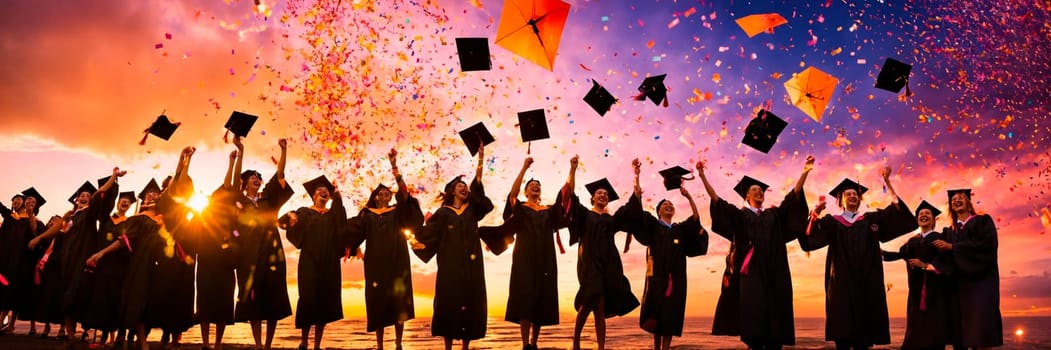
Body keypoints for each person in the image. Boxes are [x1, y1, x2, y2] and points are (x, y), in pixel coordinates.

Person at [700, 156, 813, 350]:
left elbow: (793, 197)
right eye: (754, 189)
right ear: (747, 196)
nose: (759, 191)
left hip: (775, 272)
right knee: (753, 315)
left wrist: (805, 171)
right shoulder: (741, 215)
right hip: (750, 273)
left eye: (761, 190)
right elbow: (717, 201)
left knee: (775, 316)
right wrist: (702, 176)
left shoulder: (773, 215)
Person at [802, 167, 918, 349]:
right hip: (841, 284)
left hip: (867, 284)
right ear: (840, 200)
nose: (852, 196)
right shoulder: (832, 222)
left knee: (865, 337)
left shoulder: (871, 219)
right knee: (843, 333)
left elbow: (899, 213)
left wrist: (888, 181)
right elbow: (809, 239)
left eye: (855, 193)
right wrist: (815, 214)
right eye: (847, 194)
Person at [619, 159, 709, 350]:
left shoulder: (679, 229)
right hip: (656, 276)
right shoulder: (652, 225)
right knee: (655, 311)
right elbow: (636, 208)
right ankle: (656, 347)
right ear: (659, 210)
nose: (669, 206)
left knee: (671, 313)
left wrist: (689, 197)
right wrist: (636, 175)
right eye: (665, 204)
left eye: (671, 205)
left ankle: (666, 349)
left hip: (676, 277)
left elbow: (695, 219)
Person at [413, 142, 494, 350]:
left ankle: (465, 347)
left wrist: (481, 160)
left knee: (471, 300)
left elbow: (479, 189)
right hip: (449, 267)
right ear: (451, 191)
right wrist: (416, 239)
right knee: (449, 302)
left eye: (465, 187)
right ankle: (448, 347)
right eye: (460, 186)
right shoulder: (443, 213)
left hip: (471, 266)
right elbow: (428, 234)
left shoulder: (472, 210)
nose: (465, 188)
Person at [29, 168, 123, 343]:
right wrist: (40, 237)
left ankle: (86, 330)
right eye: (82, 195)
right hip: (67, 260)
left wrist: (113, 177)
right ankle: (71, 337)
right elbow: (57, 229)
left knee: (78, 294)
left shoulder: (89, 213)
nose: (84, 196)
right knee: (66, 296)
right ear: (76, 198)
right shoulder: (70, 217)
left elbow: (100, 194)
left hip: (82, 259)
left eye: (88, 195)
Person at [344, 149, 424, 350]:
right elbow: (351, 231)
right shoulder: (367, 214)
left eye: (388, 192)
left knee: (399, 302)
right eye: (381, 192)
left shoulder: (397, 211)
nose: (385, 194)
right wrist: (354, 248)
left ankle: (398, 343)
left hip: (398, 261)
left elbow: (405, 197)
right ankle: (379, 345)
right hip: (376, 264)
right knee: (378, 303)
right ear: (376, 196)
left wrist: (394, 167)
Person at [497, 155, 570, 350]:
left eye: (538, 185)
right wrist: (524, 167)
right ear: (526, 191)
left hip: (546, 258)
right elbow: (512, 195)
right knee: (525, 298)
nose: (535, 186)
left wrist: (572, 169)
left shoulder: (548, 210)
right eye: (532, 185)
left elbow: (566, 198)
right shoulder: (521, 207)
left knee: (541, 298)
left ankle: (534, 343)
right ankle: (524, 344)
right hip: (524, 258)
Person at [565, 162, 639, 350]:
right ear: (592, 198)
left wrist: (636, 175)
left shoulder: (610, 220)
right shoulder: (584, 214)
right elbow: (570, 198)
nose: (604, 195)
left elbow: (630, 207)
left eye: (606, 194)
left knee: (600, 306)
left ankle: (600, 347)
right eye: (599, 193)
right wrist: (573, 169)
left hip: (608, 265)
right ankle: (576, 342)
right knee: (589, 299)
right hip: (589, 264)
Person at [232, 137, 295, 350]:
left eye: (259, 177)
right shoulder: (239, 202)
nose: (257, 179)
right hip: (249, 254)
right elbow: (231, 187)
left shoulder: (267, 197)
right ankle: (258, 345)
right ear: (245, 182)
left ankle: (268, 345)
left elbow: (280, 175)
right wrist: (240, 152)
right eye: (252, 177)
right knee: (253, 298)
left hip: (271, 250)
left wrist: (283, 151)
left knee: (274, 296)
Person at [931, 189, 1002, 348]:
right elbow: (940, 255)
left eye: (961, 197)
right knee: (960, 331)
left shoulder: (983, 221)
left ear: (969, 202)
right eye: (954, 199)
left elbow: (986, 246)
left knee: (980, 329)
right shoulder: (950, 231)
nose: (957, 200)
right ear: (951, 207)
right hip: (958, 287)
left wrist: (954, 247)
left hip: (980, 284)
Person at [283, 174, 346, 350]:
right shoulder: (304, 211)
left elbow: (341, 219)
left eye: (326, 190)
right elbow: (291, 226)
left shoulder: (332, 214)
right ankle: (304, 340)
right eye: (319, 190)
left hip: (329, 262)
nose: (323, 192)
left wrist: (338, 195)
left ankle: (317, 345)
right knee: (308, 299)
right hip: (309, 261)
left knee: (324, 301)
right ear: (313, 195)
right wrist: (293, 222)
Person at [883, 200, 952, 349]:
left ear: (934, 219)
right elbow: (901, 255)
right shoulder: (912, 241)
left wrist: (925, 266)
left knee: (934, 334)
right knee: (915, 333)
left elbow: (946, 261)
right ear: (917, 219)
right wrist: (881, 254)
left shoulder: (941, 237)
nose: (924, 215)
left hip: (935, 292)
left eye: (927, 213)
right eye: (921, 214)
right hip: (916, 293)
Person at [195, 150, 242, 350]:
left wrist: (235, 160)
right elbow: (226, 186)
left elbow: (231, 185)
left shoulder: (233, 217)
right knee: (204, 302)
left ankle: (217, 344)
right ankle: (205, 343)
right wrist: (230, 162)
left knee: (223, 303)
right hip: (206, 261)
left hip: (225, 263)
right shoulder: (205, 215)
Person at [80, 190, 136, 344]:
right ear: (117, 203)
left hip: (118, 266)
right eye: (122, 201)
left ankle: (111, 334)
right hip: (101, 264)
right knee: (99, 298)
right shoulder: (106, 219)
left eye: (128, 202)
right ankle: (101, 334)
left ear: (130, 206)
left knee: (113, 299)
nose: (124, 203)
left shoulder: (130, 222)